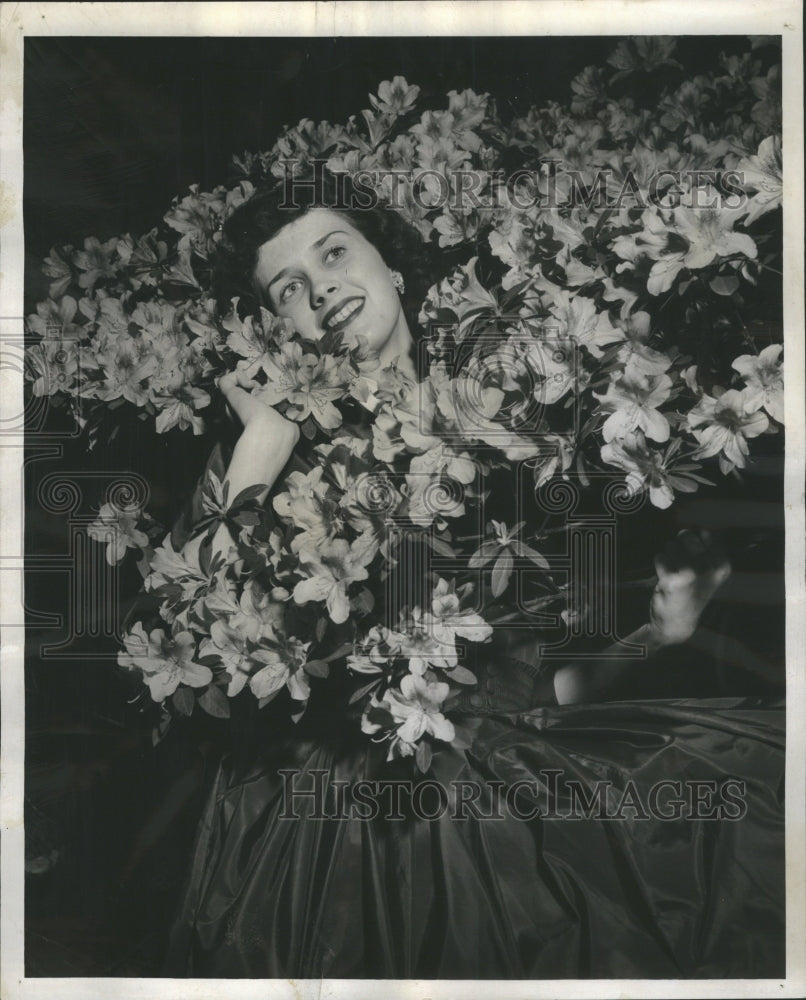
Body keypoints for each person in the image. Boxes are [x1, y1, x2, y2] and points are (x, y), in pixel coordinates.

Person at [161, 178, 784, 979]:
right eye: (289, 289)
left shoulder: (511, 409)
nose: (320, 289)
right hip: (337, 824)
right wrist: (259, 455)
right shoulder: (261, 452)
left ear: (395, 266)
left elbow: (526, 695)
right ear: (276, 330)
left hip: (497, 779)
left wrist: (658, 637)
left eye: (335, 252)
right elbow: (177, 663)